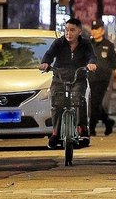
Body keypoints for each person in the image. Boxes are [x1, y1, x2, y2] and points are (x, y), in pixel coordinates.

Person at [39, 18, 98, 148]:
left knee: (79, 100)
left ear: (79, 31)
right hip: (59, 77)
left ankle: (82, 131)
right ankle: (55, 133)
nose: (68, 33)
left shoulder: (86, 44)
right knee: (57, 103)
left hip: (78, 77)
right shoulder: (59, 43)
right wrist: (45, 63)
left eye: (72, 30)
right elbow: (49, 54)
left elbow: (91, 56)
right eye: (66, 30)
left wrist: (91, 64)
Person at [88, 19, 116, 136]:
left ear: (102, 31)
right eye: (93, 29)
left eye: (97, 29)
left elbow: (114, 63)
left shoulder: (108, 45)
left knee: (94, 103)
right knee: (94, 103)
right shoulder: (88, 44)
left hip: (102, 79)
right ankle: (108, 121)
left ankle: (91, 128)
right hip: (89, 78)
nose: (94, 31)